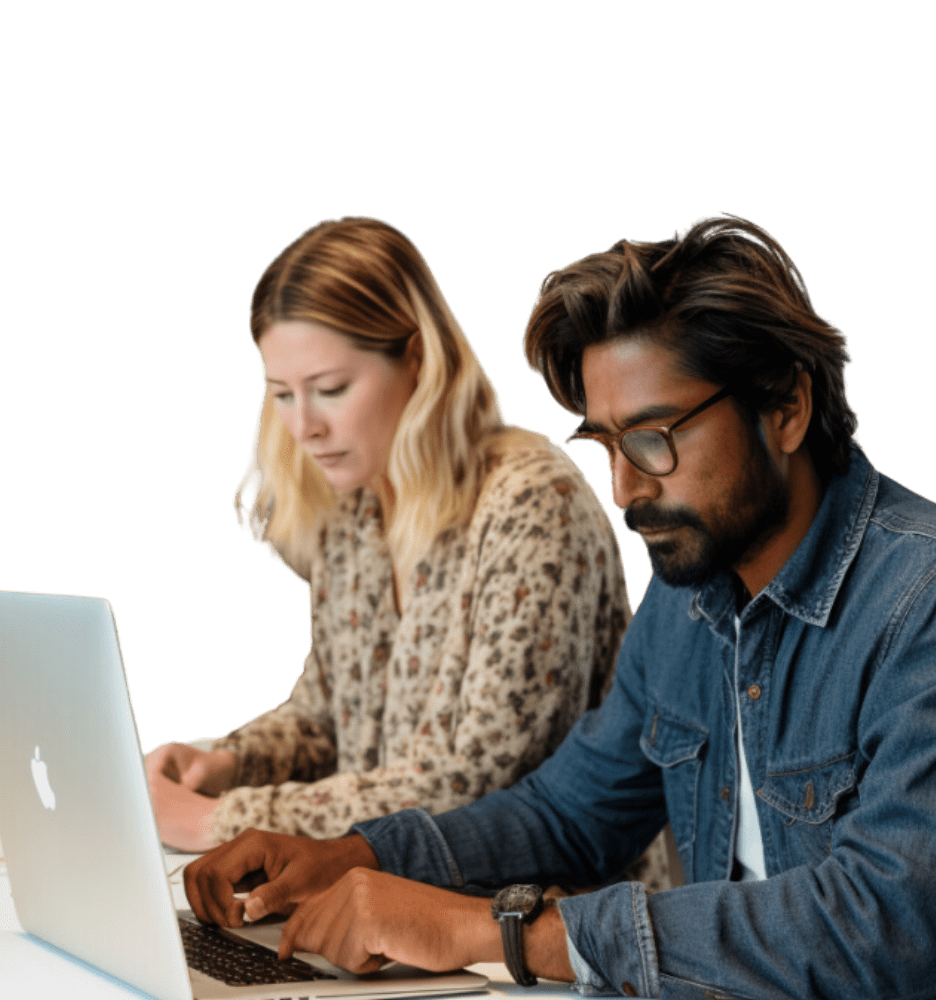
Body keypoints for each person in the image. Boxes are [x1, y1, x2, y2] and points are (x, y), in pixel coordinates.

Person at [183, 212, 936, 999]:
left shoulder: (917, 603)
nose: (626, 491)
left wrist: (502, 931)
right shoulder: (688, 603)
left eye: (653, 438)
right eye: (606, 446)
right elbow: (569, 813)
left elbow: (884, 928)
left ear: (786, 408)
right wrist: (359, 855)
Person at [146, 216, 632, 858]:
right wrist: (230, 762)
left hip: (540, 922)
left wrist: (218, 821)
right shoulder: (355, 507)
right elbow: (325, 721)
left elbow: (483, 783)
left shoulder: (533, 503)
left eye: (330, 389)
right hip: (385, 899)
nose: (304, 426)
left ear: (418, 359)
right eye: (282, 396)